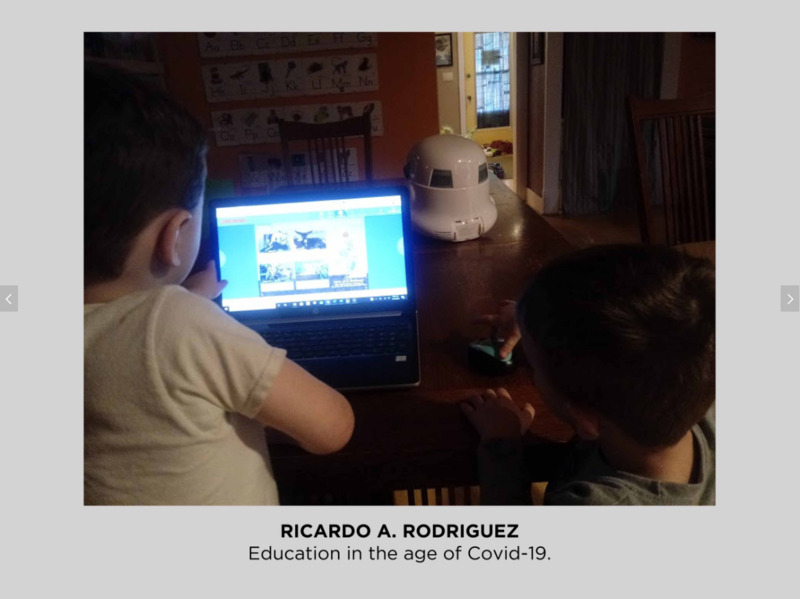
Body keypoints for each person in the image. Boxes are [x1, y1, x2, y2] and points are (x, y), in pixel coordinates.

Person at [84, 63, 354, 505]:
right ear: (174, 237)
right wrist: (193, 308)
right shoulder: (179, 323)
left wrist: (189, 297)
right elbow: (332, 428)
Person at [461, 244, 715, 505]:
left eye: (533, 367)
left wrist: (501, 443)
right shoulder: (694, 383)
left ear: (584, 419)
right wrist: (531, 317)